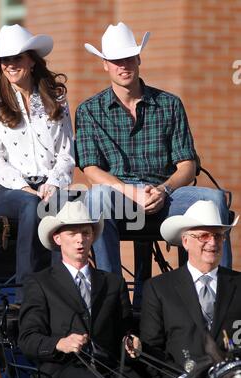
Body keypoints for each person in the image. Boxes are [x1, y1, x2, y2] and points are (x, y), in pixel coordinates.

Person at [75, 22, 232, 308]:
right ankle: (112, 300)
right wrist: (130, 192)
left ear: (138, 59)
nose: (123, 65)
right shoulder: (88, 110)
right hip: (119, 196)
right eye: (116, 60)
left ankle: (220, 298)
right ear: (105, 65)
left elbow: (187, 165)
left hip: (166, 194)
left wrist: (163, 189)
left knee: (215, 199)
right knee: (96, 197)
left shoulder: (169, 103)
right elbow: (90, 169)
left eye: (128, 58)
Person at [18, 201, 150, 378]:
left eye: (85, 233)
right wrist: (60, 343)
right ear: (57, 238)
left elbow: (124, 330)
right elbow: (27, 339)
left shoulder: (113, 282)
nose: (80, 239)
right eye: (72, 233)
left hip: (109, 366)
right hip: (61, 371)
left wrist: (130, 340)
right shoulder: (40, 283)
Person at [0, 24, 75, 303]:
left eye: (17, 58)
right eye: (5, 60)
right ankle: (27, 293)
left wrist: (54, 183)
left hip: (51, 185)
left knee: (68, 208)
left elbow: (67, 151)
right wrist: (24, 187)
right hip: (11, 191)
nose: (10, 65)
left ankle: (64, 295)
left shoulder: (56, 100)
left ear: (31, 61)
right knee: (33, 205)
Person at [139, 200, 240, 378]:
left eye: (218, 236)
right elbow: (151, 349)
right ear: (185, 241)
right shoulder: (159, 288)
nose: (212, 242)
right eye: (204, 235)